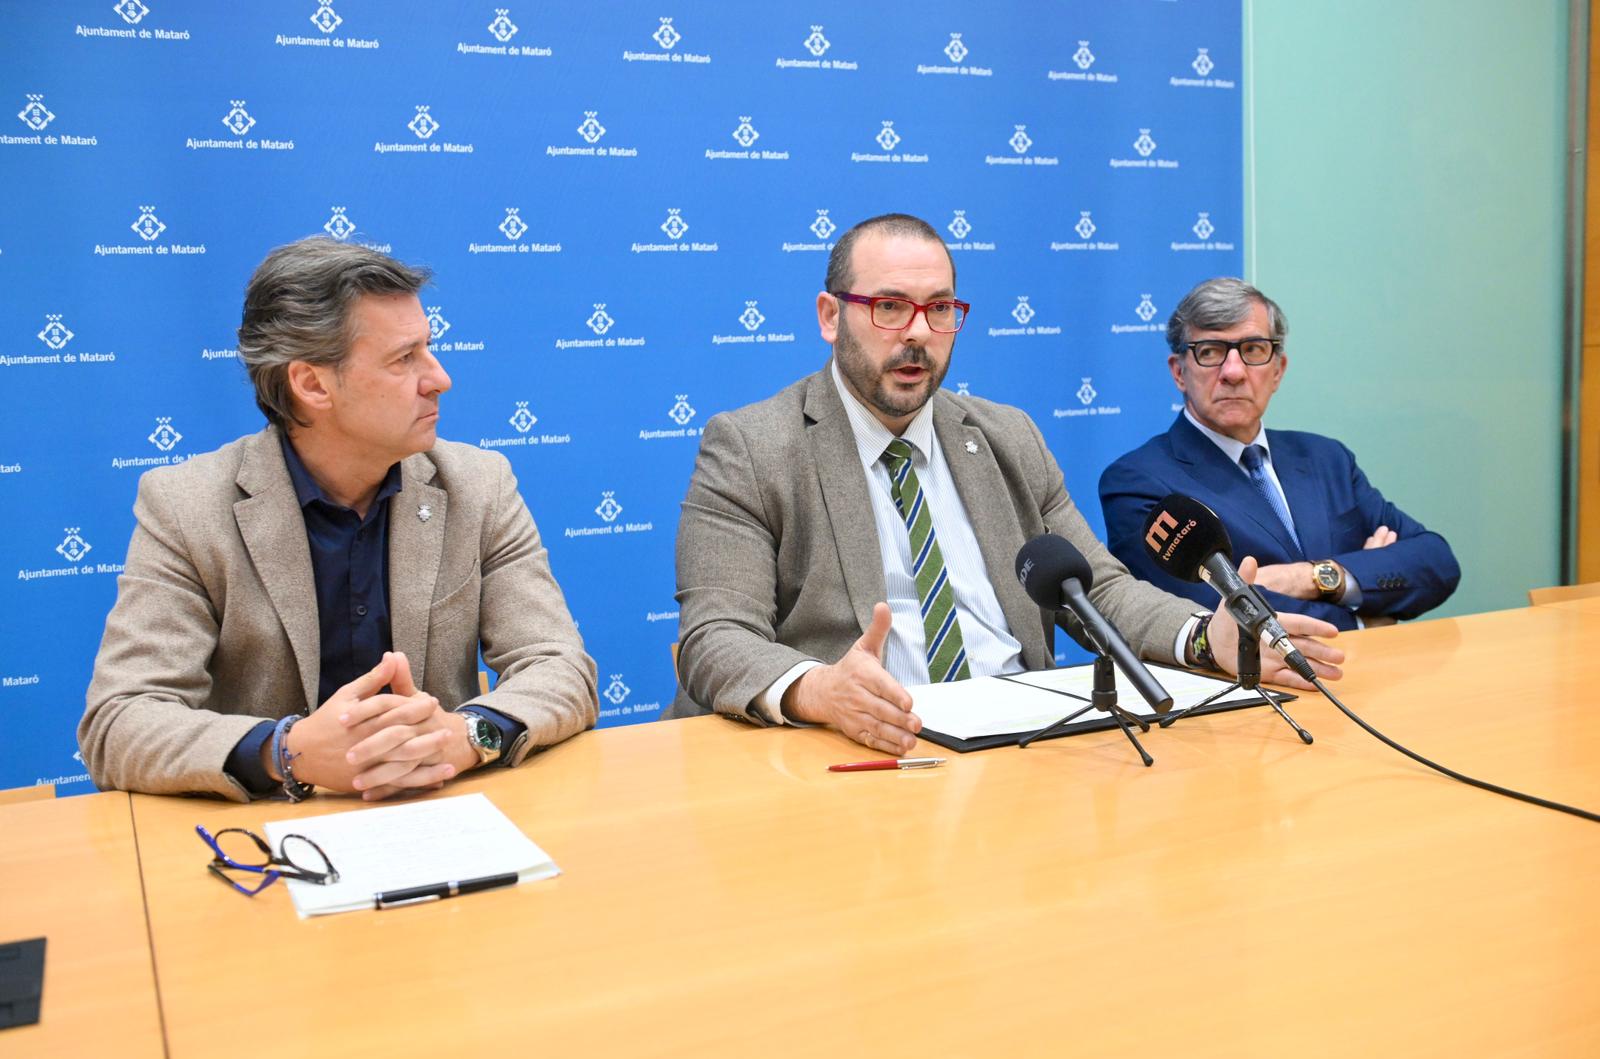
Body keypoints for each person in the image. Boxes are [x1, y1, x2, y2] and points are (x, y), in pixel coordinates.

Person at [667, 214, 1343, 754]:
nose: (918, 335)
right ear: (829, 315)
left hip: (1025, 747)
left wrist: (1206, 638)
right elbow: (715, 638)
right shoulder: (753, 447)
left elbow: (1101, 590)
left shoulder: (1005, 436)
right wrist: (819, 690)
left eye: (940, 310)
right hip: (862, 752)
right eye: (889, 308)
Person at [80, 237, 597, 801]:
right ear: (311, 384)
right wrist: (287, 751)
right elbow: (119, 723)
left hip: (439, 811)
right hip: (270, 838)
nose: (439, 377)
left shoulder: (479, 484)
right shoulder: (186, 507)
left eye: (429, 347)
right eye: (405, 358)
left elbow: (559, 666)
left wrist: (466, 735)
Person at [1099, 277, 1460, 631]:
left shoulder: (1327, 459)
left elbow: (1437, 562)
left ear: (1278, 371)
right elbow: (1209, 614)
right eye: (1210, 352)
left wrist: (1313, 576)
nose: (1234, 372)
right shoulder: (1139, 482)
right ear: (1179, 372)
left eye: (1253, 350)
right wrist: (1364, 619)